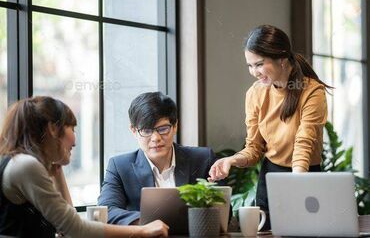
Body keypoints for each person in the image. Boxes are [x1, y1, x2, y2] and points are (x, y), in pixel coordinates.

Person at [208, 25, 331, 231]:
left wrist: (297, 184)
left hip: (305, 174)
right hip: (271, 176)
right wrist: (231, 160)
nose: (254, 72)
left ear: (282, 59)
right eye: (249, 65)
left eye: (259, 64)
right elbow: (254, 148)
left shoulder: (312, 91)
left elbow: (304, 142)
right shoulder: (255, 93)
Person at [0, 96, 169, 237]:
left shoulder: (21, 163)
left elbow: (64, 226)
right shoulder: (27, 166)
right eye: (72, 128)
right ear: (53, 129)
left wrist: (57, 170)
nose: (75, 140)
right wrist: (142, 231)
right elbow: (75, 229)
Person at [98, 92, 221, 226]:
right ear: (134, 131)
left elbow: (225, 211)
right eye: (146, 131)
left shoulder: (203, 159)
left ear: (175, 127)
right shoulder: (119, 166)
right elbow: (106, 210)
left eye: (163, 129)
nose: (156, 138)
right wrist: (148, 222)